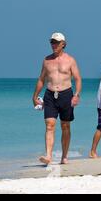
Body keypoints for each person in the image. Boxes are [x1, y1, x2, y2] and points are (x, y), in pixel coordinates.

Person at [32, 33, 82, 165]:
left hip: (66, 95)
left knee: (65, 126)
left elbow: (77, 78)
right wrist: (34, 96)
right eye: (52, 42)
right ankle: (48, 155)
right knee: (49, 125)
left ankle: (64, 156)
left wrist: (76, 95)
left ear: (63, 44)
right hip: (50, 95)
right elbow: (41, 79)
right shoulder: (46, 60)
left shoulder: (70, 60)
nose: (53, 45)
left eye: (56, 42)